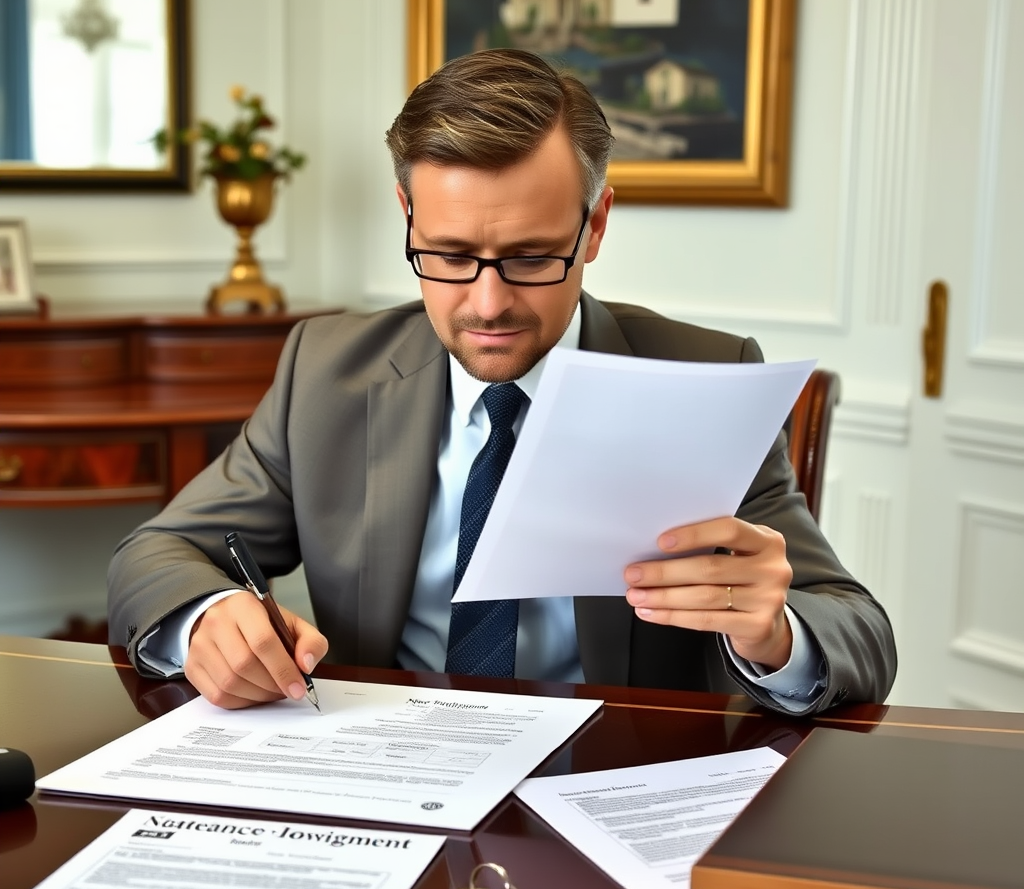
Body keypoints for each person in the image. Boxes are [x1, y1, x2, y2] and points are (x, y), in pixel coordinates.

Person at [108, 49, 896, 716]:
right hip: (384, 773)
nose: (487, 306)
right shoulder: (325, 371)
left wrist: (776, 632)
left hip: (611, 780)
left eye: (529, 258)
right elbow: (159, 551)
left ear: (595, 226)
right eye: (448, 256)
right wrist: (212, 616)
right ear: (406, 215)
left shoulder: (703, 376)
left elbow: (859, 630)